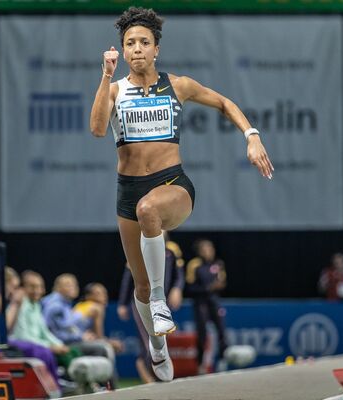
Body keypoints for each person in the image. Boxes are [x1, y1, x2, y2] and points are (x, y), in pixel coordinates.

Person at [89, 6, 273, 381]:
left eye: (144, 42)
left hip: (172, 186)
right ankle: (158, 346)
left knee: (149, 211)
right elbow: (95, 129)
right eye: (129, 43)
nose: (136, 49)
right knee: (138, 282)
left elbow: (223, 103)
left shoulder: (178, 85)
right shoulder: (114, 89)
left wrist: (251, 135)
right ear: (122, 52)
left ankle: (159, 299)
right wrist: (105, 75)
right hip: (128, 191)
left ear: (156, 49)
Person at [117, 233, 184, 383]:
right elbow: (128, 277)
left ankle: (153, 372)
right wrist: (122, 302)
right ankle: (149, 376)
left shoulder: (172, 249)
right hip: (142, 300)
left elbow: (179, 274)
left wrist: (177, 289)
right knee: (147, 336)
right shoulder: (137, 247)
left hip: (162, 300)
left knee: (162, 335)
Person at [185, 238, 229, 373]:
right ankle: (201, 365)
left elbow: (222, 282)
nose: (209, 251)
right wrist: (208, 288)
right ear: (200, 251)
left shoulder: (218, 264)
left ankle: (222, 362)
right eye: (206, 249)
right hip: (200, 303)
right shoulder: (194, 265)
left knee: (222, 332)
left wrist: (218, 286)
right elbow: (189, 288)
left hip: (214, 301)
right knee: (202, 334)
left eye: (211, 248)